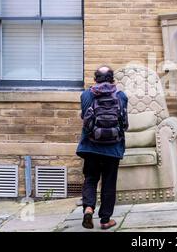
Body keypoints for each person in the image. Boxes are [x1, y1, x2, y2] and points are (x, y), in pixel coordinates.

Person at [76, 65, 128, 230]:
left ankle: (89, 208)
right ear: (113, 79)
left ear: (95, 79)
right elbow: (124, 125)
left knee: (91, 179)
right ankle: (105, 220)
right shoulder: (121, 96)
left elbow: (85, 119)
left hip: (91, 147)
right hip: (113, 148)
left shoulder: (86, 95)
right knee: (109, 183)